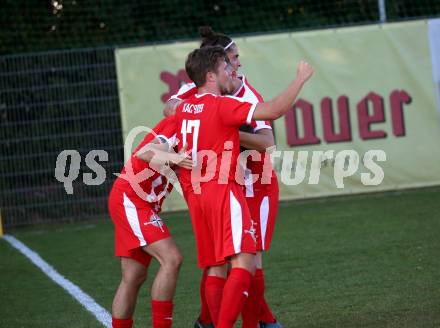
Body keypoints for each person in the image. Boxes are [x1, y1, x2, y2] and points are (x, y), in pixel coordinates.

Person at [167, 45, 313, 328]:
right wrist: (300, 79)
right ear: (210, 75)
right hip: (223, 190)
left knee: (214, 266)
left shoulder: (184, 108)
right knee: (245, 262)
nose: (231, 73)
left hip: (195, 194)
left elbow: (172, 115)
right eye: (225, 68)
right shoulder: (222, 105)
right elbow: (274, 110)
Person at [108, 115, 192, 328]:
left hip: (138, 200)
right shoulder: (180, 122)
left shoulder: (196, 125)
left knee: (133, 276)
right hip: (132, 199)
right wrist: (177, 159)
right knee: (172, 259)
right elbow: (145, 153)